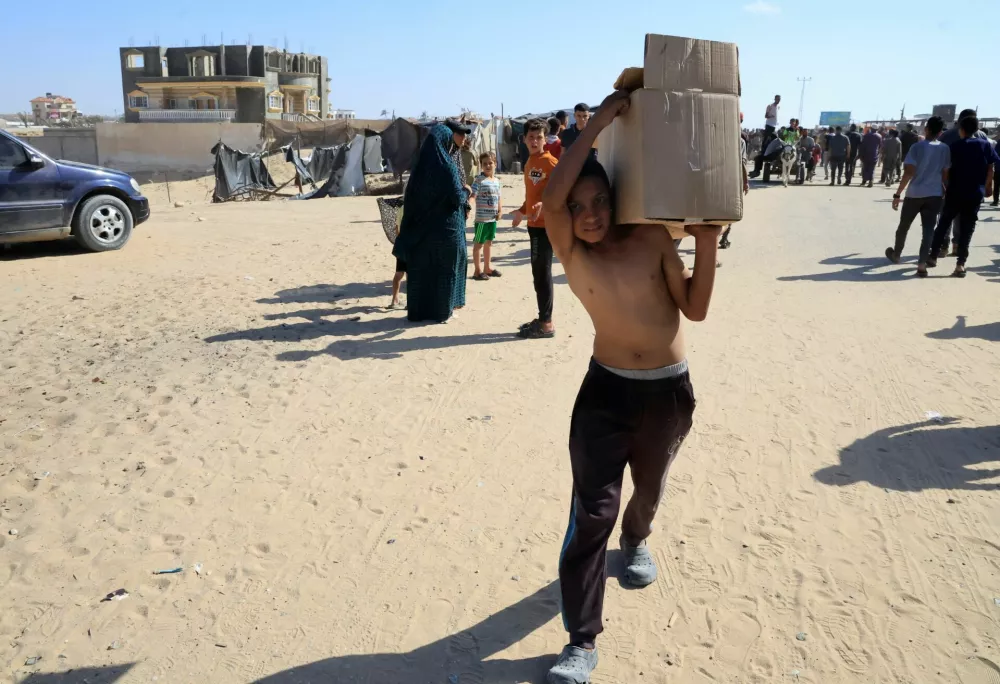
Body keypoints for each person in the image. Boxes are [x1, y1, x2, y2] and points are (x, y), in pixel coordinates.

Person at [539, 90, 718, 684]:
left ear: (617, 203)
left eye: (601, 201)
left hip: (667, 394)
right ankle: (581, 641)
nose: (589, 213)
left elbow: (694, 310)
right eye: (580, 205)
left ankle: (638, 538)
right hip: (604, 394)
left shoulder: (651, 241)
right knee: (591, 513)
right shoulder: (570, 250)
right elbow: (555, 192)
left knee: (648, 488)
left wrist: (708, 242)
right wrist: (602, 122)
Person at [391, 124, 469, 323]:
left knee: (423, 272)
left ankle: (419, 312)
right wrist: (468, 191)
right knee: (445, 271)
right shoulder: (448, 166)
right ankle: (443, 313)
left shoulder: (419, 168)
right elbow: (456, 198)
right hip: (447, 229)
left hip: (422, 231)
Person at [927, 115, 999, 277]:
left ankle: (933, 257)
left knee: (944, 224)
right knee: (968, 229)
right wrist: (989, 186)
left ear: (961, 129)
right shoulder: (986, 145)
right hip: (974, 193)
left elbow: (946, 169)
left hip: (954, 192)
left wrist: (944, 185)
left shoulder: (956, 146)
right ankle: (960, 264)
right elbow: (991, 168)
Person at [885, 116, 950, 277]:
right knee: (928, 230)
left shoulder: (916, 147)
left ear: (926, 129)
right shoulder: (945, 148)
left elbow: (908, 173)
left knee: (904, 226)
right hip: (935, 194)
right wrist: (944, 190)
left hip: (914, 194)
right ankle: (921, 264)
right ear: (941, 132)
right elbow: (945, 173)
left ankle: (897, 254)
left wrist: (897, 193)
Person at [512, 118, 559, 338]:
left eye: (539, 137)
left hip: (545, 227)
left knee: (542, 273)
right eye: (531, 137)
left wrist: (546, 204)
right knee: (538, 273)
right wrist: (522, 211)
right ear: (524, 139)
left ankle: (546, 324)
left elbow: (565, 190)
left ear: (545, 139)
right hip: (533, 225)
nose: (534, 141)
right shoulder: (530, 163)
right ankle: (543, 318)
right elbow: (531, 195)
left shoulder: (550, 162)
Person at [470, 152, 503, 280]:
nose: (488, 166)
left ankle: (487, 268)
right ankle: (477, 271)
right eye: (485, 164)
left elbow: (499, 197)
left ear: (495, 164)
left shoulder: (497, 181)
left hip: (492, 219)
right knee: (479, 244)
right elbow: (473, 195)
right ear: (481, 166)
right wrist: (468, 205)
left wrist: (500, 211)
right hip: (482, 220)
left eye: (490, 163)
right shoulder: (478, 180)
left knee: (489, 243)